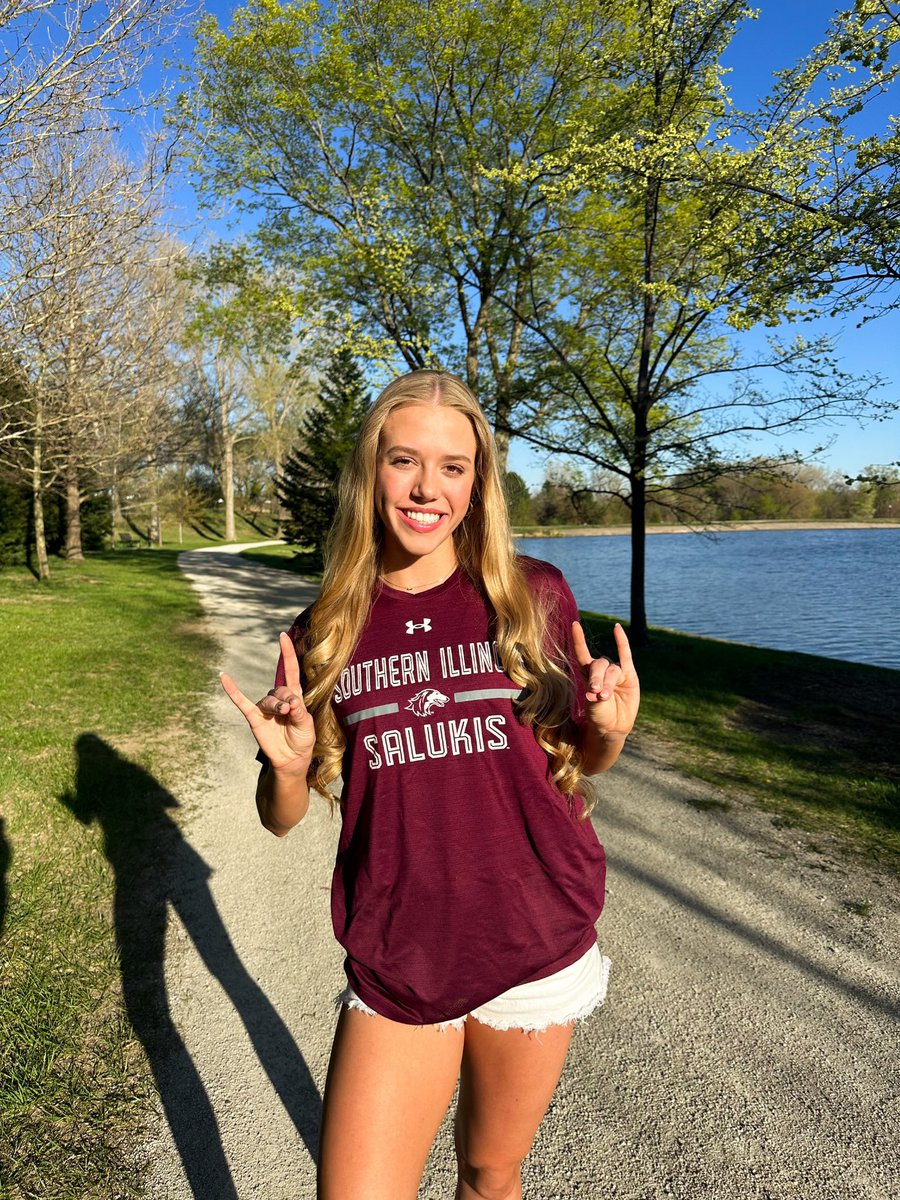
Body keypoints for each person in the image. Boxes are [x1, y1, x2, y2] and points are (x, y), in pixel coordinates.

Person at [221, 370, 640, 1200]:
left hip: (535, 938)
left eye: (453, 466)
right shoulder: (326, 629)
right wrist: (291, 769)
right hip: (401, 952)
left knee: (490, 1172)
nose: (426, 488)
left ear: (477, 481)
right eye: (404, 460)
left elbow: (571, 765)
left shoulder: (533, 596)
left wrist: (609, 735)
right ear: (369, 471)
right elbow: (280, 820)